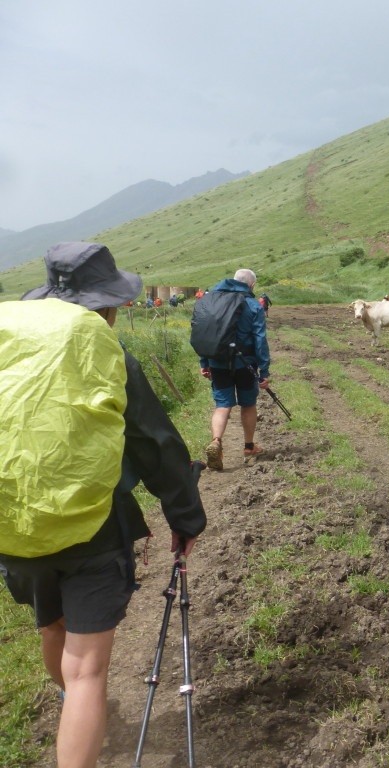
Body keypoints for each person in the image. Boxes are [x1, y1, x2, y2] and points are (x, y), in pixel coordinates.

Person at [0, 242, 206, 768]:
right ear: (107, 307)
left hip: (11, 526)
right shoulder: (110, 355)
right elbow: (155, 446)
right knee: (88, 669)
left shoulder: (8, 344)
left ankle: (76, 708)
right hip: (91, 527)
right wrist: (185, 519)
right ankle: (83, 711)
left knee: (53, 628)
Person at [199, 268, 271, 470]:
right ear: (251, 285)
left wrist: (205, 363)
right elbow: (260, 340)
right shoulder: (253, 305)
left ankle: (216, 441)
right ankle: (249, 447)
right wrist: (264, 371)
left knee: (222, 405)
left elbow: (205, 334)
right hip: (245, 364)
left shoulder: (211, 302)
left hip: (218, 363)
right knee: (248, 405)